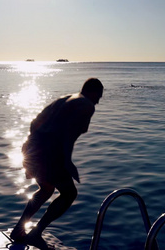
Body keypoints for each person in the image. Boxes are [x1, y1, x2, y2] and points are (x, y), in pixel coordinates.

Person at [11, 78, 104, 250]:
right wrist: (67, 160)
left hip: (32, 149)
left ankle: (19, 230)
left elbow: (34, 123)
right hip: (49, 153)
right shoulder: (86, 105)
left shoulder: (64, 99)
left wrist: (31, 151)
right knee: (69, 194)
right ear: (92, 92)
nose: (98, 101)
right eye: (99, 96)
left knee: (47, 189)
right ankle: (35, 233)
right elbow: (68, 133)